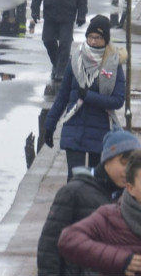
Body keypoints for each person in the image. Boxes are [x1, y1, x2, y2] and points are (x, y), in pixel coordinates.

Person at [37, 128, 141, 276]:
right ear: (107, 159)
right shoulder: (74, 192)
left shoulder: (132, 197)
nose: (128, 171)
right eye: (123, 163)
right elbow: (49, 248)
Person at [43, 15, 128, 180]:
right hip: (74, 127)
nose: (93, 41)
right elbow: (63, 96)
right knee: (75, 179)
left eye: (98, 38)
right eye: (90, 37)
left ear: (105, 40)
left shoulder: (113, 63)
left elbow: (118, 100)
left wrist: (89, 96)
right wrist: (50, 124)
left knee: (96, 182)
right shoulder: (76, 59)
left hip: (100, 130)